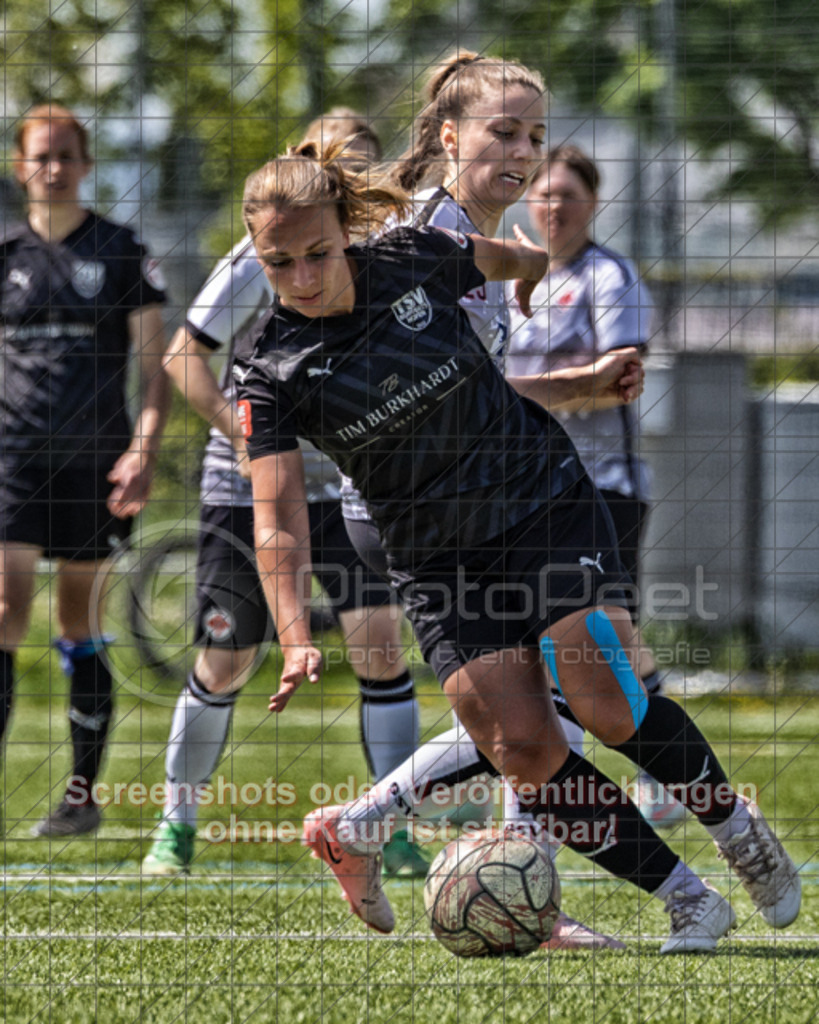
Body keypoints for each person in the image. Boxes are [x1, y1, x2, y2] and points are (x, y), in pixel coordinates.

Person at [234, 139, 800, 955]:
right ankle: (688, 900)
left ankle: (733, 824)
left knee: (604, 701)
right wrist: (291, 631)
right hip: (433, 559)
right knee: (524, 748)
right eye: (278, 262)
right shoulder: (271, 367)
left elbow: (508, 255)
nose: (303, 277)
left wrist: (529, 274)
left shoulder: (413, 258)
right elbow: (278, 515)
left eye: (318, 253)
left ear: (345, 231)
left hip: (539, 500)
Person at [142, 111, 426, 877]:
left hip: (350, 486)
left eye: (366, 174)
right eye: (342, 170)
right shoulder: (261, 251)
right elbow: (184, 353)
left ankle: (390, 827)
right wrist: (242, 439)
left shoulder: (386, 259)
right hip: (246, 492)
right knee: (228, 657)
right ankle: (177, 824)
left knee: (377, 643)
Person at [1, 103, 170, 836]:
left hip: (93, 465)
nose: (54, 167)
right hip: (11, 459)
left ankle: (80, 797)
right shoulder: (4, 256)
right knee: (5, 611)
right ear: (20, 165)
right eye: (41, 155)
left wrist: (144, 448)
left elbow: (157, 366)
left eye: (67, 154)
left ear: (86, 164)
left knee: (79, 619)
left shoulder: (122, 249)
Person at [506, 144, 685, 828]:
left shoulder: (609, 276)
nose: (553, 207)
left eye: (567, 196)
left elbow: (617, 379)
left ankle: (658, 767)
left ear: (592, 204)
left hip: (601, 484)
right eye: (543, 194)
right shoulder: (504, 277)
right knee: (549, 641)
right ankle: (534, 788)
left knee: (607, 629)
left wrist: (528, 399)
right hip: (525, 484)